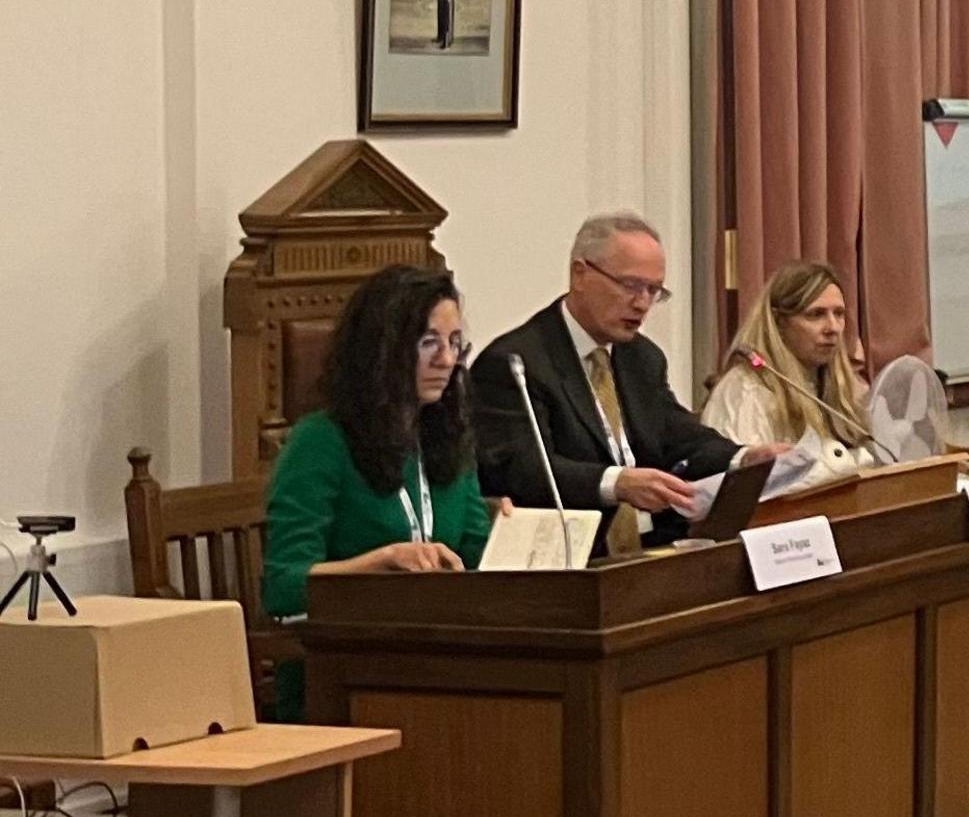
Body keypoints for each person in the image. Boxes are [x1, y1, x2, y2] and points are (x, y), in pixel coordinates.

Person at [259, 264, 496, 718]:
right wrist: (381, 562)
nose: (446, 360)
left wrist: (520, 539)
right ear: (384, 350)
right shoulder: (321, 441)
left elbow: (475, 549)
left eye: (454, 344)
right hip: (340, 670)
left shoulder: (445, 437)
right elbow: (285, 588)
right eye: (428, 343)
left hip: (434, 654)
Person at [475, 212, 780, 558]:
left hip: (655, 547)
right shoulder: (517, 363)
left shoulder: (641, 357)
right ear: (580, 274)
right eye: (631, 286)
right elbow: (525, 471)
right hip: (578, 558)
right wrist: (616, 483)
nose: (642, 304)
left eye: (654, 291)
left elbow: (677, 433)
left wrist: (743, 456)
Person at [702, 260, 878, 493]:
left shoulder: (845, 386)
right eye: (816, 315)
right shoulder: (745, 390)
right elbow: (745, 488)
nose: (833, 327)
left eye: (839, 314)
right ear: (779, 322)